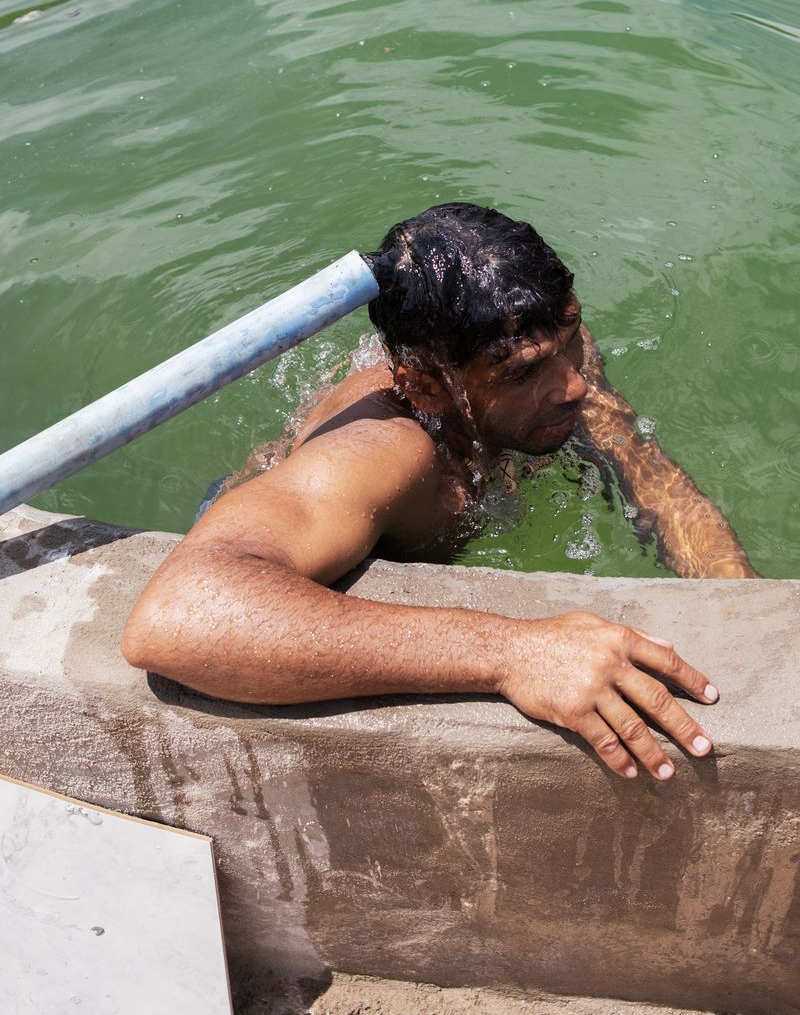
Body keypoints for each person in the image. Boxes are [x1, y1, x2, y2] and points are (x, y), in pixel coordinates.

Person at [122, 203, 757, 782]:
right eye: (526, 372)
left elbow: (656, 485)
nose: (574, 387)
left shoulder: (544, 343)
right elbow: (177, 616)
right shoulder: (386, 452)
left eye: (570, 340)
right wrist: (514, 651)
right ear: (426, 389)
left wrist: (753, 617)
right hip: (270, 527)